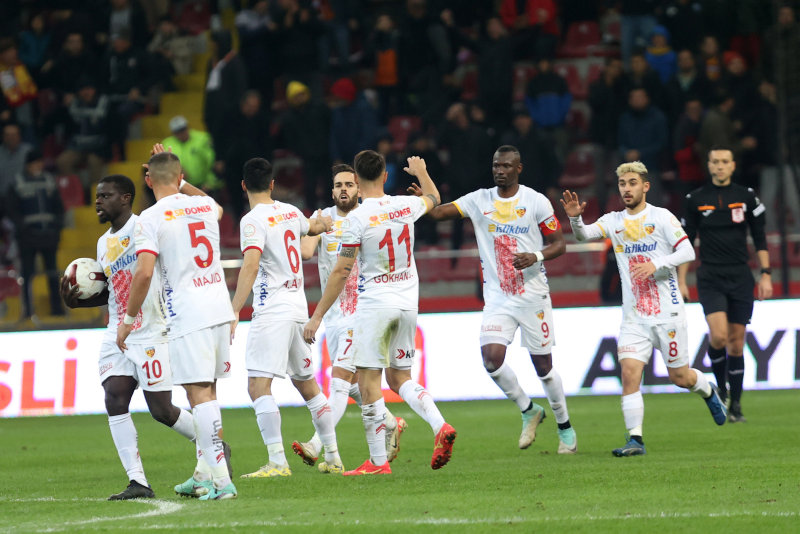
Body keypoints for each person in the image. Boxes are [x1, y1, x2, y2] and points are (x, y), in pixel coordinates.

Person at [411, 145, 577, 454]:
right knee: (491, 359)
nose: (499, 170)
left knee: (543, 366)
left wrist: (535, 256)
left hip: (533, 296)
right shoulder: (479, 200)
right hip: (498, 297)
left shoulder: (536, 201)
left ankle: (565, 426)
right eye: (496, 165)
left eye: (506, 166)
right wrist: (425, 194)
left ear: (518, 169)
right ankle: (529, 409)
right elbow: (437, 213)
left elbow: (559, 244)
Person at [303, 151, 456, 476]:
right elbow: (433, 198)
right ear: (386, 176)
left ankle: (377, 462)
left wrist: (316, 316)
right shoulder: (406, 205)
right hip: (408, 304)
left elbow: (342, 271)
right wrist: (421, 171)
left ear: (357, 182)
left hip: (374, 305)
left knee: (369, 380)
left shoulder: (357, 219)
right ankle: (439, 425)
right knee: (400, 379)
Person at [563, 161, 728, 457]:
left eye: (632, 183)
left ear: (645, 186)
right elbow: (583, 235)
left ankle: (707, 389)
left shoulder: (662, 217)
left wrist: (657, 264)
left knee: (680, 377)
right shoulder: (613, 220)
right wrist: (575, 219)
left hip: (668, 313)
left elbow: (687, 251)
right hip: (634, 317)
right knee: (629, 374)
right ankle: (635, 440)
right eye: (622, 184)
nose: (626, 189)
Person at [59, 173, 208, 500]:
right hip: (118, 331)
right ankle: (137, 481)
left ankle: (212, 445)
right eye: (97, 196)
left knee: (162, 410)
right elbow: (113, 291)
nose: (98, 201)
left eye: (105, 196)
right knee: (114, 397)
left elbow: (147, 274)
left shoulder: (145, 227)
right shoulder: (103, 243)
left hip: (152, 329)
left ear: (125, 198)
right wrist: (79, 299)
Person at [116, 152, 237, 500]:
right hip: (220, 307)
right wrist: (183, 182)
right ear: (181, 175)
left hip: (187, 312)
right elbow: (217, 208)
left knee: (198, 395)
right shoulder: (204, 205)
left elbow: (143, 273)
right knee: (208, 393)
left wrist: (127, 320)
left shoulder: (149, 218)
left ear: (148, 180)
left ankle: (222, 483)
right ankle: (203, 474)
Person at [229, 157, 344, 477]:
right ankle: (333, 457)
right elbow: (314, 227)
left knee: (258, 386)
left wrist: (234, 309)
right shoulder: (290, 212)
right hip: (297, 310)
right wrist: (325, 221)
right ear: (272, 184)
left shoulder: (252, 221)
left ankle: (277, 462)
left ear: (243, 186)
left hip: (272, 311)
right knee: (308, 387)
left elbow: (251, 264)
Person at [292, 164, 406, 469]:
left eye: (349, 184)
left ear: (358, 189)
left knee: (340, 380)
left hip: (363, 313)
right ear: (332, 191)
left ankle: (317, 444)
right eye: (338, 185)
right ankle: (390, 422)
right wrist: (314, 226)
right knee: (355, 384)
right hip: (334, 316)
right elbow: (305, 252)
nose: (344, 189)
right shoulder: (323, 217)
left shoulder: (369, 217)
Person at [678, 147, 772, 423]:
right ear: (708, 165)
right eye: (715, 162)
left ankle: (737, 405)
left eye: (725, 162)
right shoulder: (695, 199)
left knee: (737, 344)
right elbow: (685, 242)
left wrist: (766, 274)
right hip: (710, 276)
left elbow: (760, 236)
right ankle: (721, 389)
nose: (720, 166)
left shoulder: (747, 197)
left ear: (733, 165)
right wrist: (681, 280)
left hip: (741, 276)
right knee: (719, 337)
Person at [7, 151, 64, 318]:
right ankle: (28, 310)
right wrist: (22, 229)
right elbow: (12, 209)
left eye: (40, 162)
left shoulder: (49, 181)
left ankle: (57, 308)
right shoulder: (18, 182)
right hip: (28, 237)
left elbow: (58, 207)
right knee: (27, 274)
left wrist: (57, 228)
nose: (38, 166)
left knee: (52, 274)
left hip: (48, 235)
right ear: (28, 165)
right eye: (34, 163)